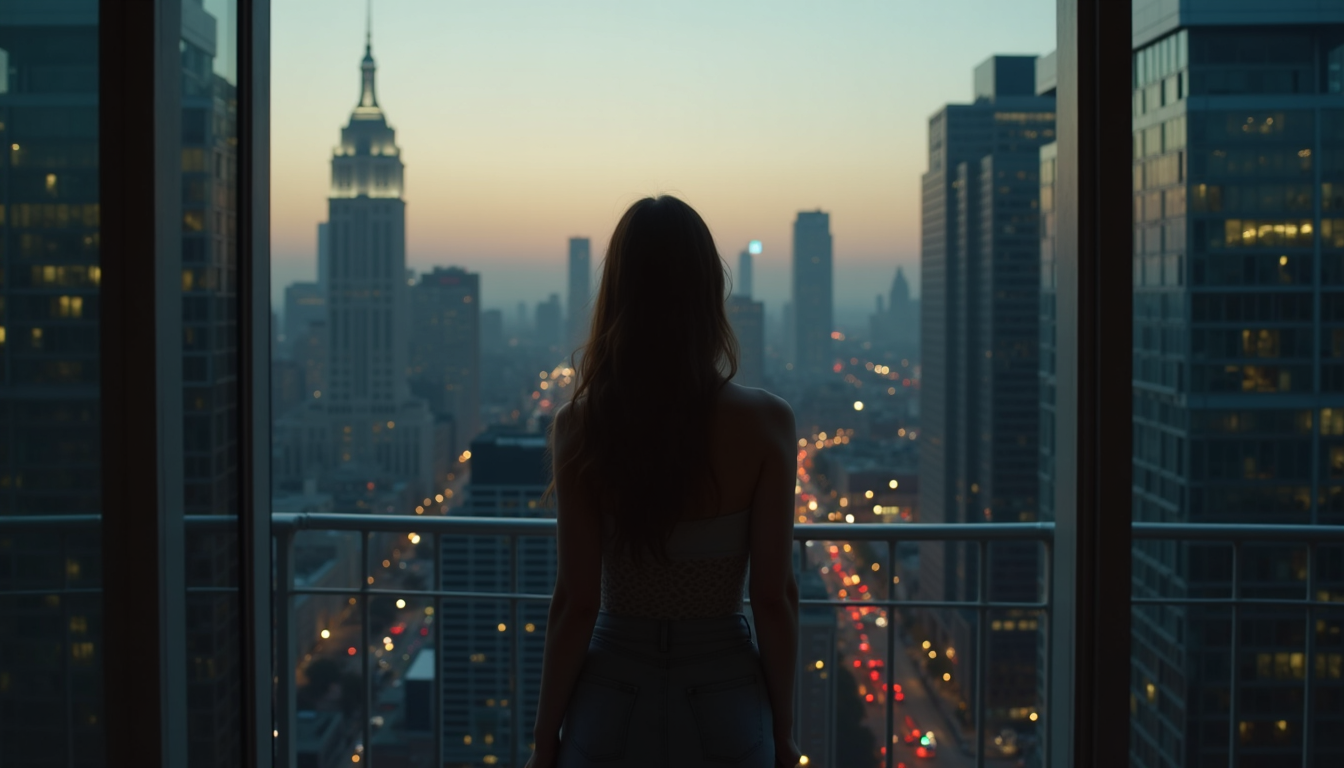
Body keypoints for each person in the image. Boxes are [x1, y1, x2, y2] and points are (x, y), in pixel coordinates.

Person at [524, 196, 803, 768]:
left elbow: (577, 602)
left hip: (611, 691)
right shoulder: (767, 423)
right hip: (725, 688)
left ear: (617, 292)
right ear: (708, 290)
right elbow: (774, 598)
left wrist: (543, 742)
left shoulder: (581, 425)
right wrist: (783, 731)